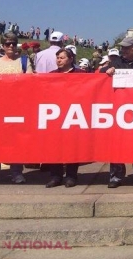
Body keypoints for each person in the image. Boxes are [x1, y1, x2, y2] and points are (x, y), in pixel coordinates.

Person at [0, 32, 33, 184]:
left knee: (16, 140)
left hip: (17, 107)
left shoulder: (24, 61)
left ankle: (16, 172)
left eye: (13, 43)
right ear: (2, 46)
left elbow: (29, 81)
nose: (10, 46)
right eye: (7, 43)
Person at [101, 36, 133, 188]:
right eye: (122, 47)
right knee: (116, 142)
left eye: (126, 48)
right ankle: (116, 175)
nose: (123, 50)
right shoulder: (116, 62)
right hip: (118, 109)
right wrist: (107, 71)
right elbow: (101, 76)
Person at [45, 48, 87, 188]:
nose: (59, 60)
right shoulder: (52, 75)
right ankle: (55, 176)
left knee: (72, 146)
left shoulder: (80, 74)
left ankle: (71, 176)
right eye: (57, 57)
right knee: (54, 147)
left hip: (74, 115)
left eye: (62, 57)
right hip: (55, 116)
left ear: (70, 59)